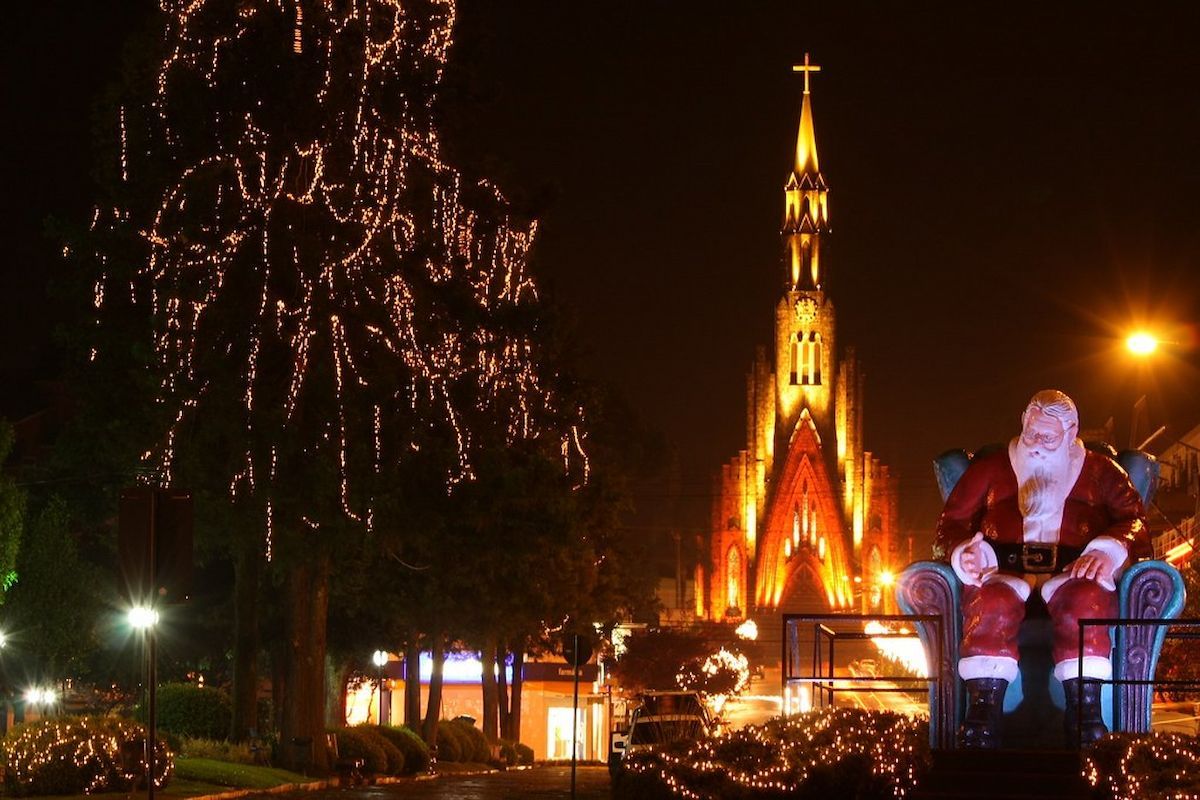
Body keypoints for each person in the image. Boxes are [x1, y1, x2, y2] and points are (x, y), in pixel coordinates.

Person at [934, 389, 1149, 747]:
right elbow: (950, 525)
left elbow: (1135, 521)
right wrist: (964, 553)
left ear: (1071, 432)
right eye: (1031, 432)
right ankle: (983, 711)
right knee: (991, 604)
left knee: (1086, 605)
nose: (1035, 444)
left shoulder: (1101, 472)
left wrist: (1107, 550)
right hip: (1003, 572)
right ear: (1024, 421)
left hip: (1073, 573)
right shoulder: (990, 469)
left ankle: (1085, 712)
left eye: (1047, 437)